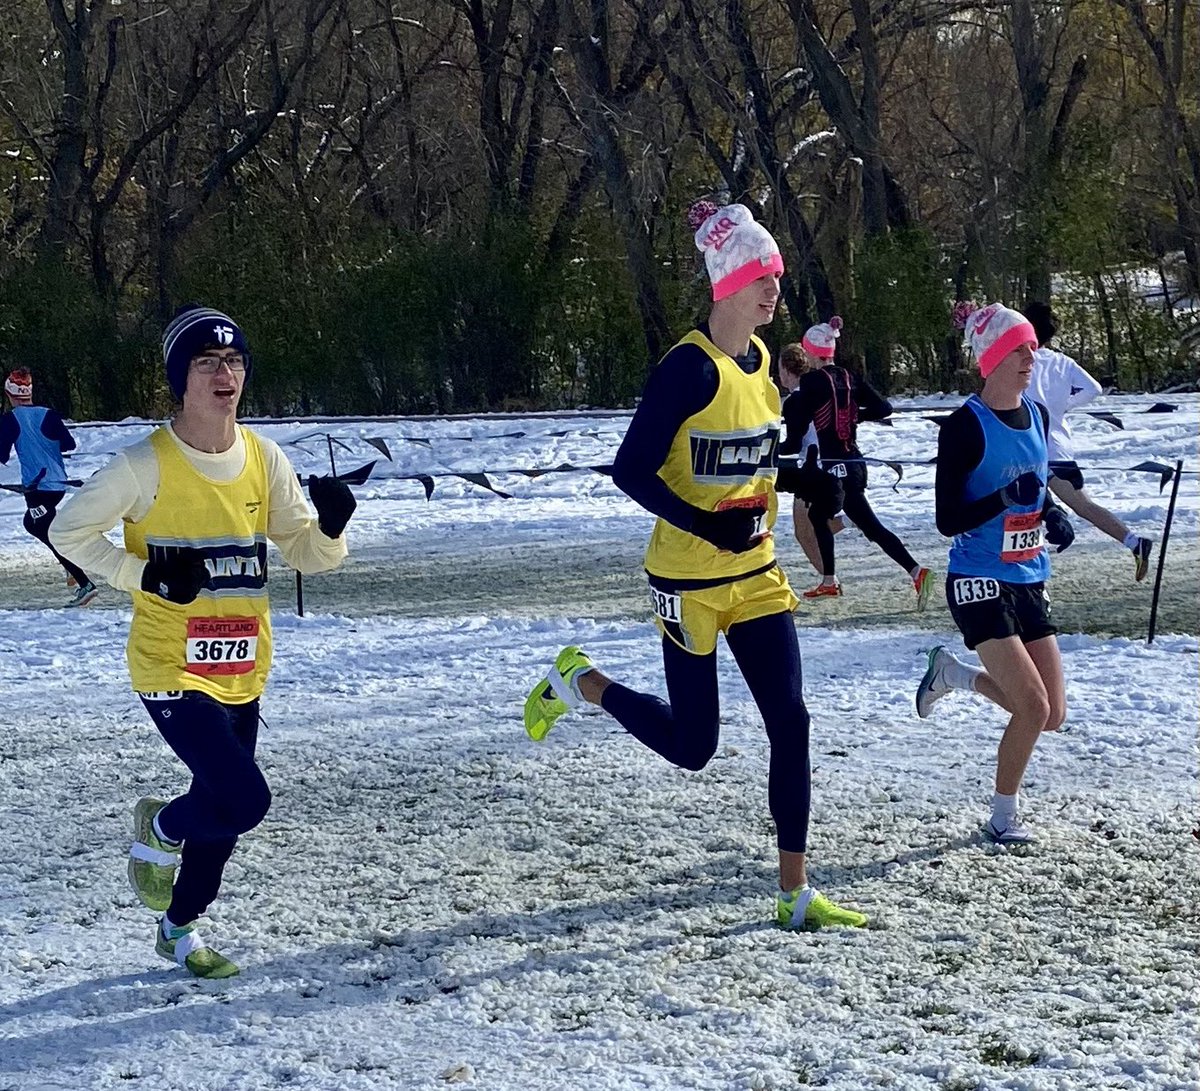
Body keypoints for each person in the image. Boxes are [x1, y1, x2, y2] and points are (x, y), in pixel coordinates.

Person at [522, 200, 868, 931]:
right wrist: (708, 521)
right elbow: (629, 470)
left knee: (792, 722)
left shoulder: (765, 360)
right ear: (725, 284)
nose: (772, 288)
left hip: (758, 575)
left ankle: (793, 892)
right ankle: (580, 680)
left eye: (773, 274)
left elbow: (752, 460)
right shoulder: (687, 367)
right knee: (694, 745)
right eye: (757, 275)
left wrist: (800, 488)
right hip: (687, 581)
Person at [51, 305, 357, 977]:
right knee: (245, 798)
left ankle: (178, 929)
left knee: (224, 823)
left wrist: (331, 526)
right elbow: (69, 532)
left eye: (234, 360)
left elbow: (307, 553)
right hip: (169, 665)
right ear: (179, 378)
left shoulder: (262, 456)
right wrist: (146, 574)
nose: (225, 374)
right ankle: (159, 828)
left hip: (243, 665)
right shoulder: (143, 465)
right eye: (206, 362)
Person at [915, 301, 1076, 846]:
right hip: (978, 577)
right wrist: (999, 499)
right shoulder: (963, 427)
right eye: (1019, 349)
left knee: (1050, 713)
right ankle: (1003, 817)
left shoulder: (1036, 415)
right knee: (1031, 706)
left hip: (1029, 573)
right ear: (992, 359)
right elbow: (945, 520)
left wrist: (1051, 513)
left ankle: (954, 676)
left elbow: (1035, 483)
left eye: (1032, 347)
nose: (1031, 357)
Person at [779, 318, 934, 607]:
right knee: (870, 526)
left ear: (811, 352)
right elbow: (883, 407)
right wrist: (854, 416)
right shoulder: (849, 377)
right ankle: (916, 571)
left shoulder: (812, 382)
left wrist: (770, 451)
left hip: (830, 466)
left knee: (817, 518)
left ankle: (829, 581)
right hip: (855, 461)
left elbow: (794, 438)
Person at [1024, 301, 1154, 581]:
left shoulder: (1023, 361)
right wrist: (1064, 405)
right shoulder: (1063, 362)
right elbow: (1093, 388)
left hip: (1030, 450)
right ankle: (1133, 541)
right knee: (1084, 506)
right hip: (1060, 446)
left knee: (1023, 509)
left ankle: (1026, 570)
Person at [0, 368, 97, 606]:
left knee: (47, 532)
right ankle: (72, 566)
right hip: (58, 485)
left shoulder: (11, 420)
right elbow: (68, 443)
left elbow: (2, 454)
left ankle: (84, 582)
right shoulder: (48, 414)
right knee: (33, 524)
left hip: (36, 488)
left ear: (9, 395)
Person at [775, 343, 844, 576]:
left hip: (814, 469)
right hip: (828, 463)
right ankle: (830, 580)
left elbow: (793, 444)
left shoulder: (796, 400)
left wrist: (768, 451)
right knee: (808, 531)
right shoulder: (817, 391)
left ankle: (830, 581)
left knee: (805, 532)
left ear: (785, 369)